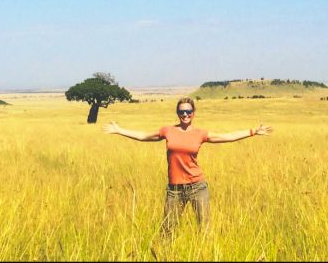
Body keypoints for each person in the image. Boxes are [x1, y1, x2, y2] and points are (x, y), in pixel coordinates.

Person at [102, 97, 273, 240]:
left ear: (193, 113)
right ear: (177, 113)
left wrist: (252, 131)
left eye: (188, 111)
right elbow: (143, 136)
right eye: (181, 112)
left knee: (204, 229)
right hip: (174, 190)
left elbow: (227, 137)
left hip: (197, 187)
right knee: (168, 230)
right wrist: (119, 130)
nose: (185, 114)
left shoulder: (200, 133)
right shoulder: (167, 131)